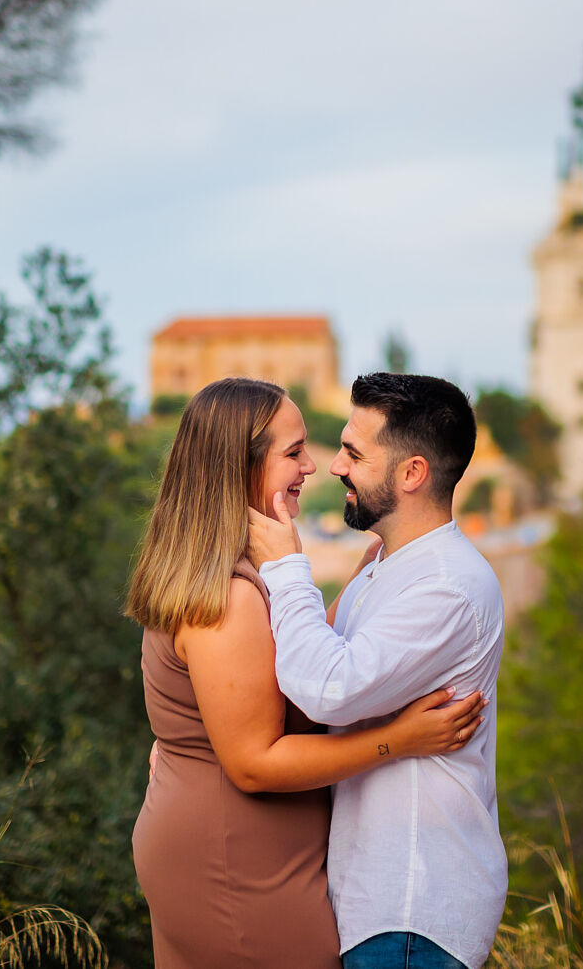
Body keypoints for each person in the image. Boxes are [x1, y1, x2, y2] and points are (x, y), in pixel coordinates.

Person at [126, 377, 487, 969]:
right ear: (238, 466)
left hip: (247, 851)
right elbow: (252, 761)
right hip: (238, 863)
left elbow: (289, 669)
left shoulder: (234, 576)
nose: (313, 467)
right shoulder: (232, 596)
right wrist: (401, 741)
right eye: (293, 453)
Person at [247, 372, 508, 969]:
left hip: (413, 909)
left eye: (354, 452)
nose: (333, 466)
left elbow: (326, 690)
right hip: (382, 905)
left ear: (411, 473)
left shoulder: (446, 587)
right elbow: (298, 669)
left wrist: (288, 569)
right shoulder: (387, 566)